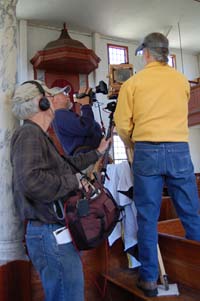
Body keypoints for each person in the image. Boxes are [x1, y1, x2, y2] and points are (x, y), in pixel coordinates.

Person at [114, 32, 200, 297]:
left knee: (147, 217)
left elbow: (122, 124)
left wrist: (133, 143)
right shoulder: (182, 82)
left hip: (146, 150)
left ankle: (149, 279)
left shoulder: (134, 83)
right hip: (178, 149)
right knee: (191, 212)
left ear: (147, 53)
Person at [10, 80, 110, 301]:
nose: (54, 99)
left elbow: (67, 165)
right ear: (41, 102)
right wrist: (74, 183)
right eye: (49, 95)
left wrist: (98, 152)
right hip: (48, 234)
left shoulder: (38, 135)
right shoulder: (29, 134)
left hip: (51, 233)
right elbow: (32, 181)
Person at [51, 86, 103, 155]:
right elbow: (86, 127)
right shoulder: (59, 114)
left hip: (90, 155)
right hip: (87, 157)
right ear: (54, 99)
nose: (68, 95)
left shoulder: (64, 114)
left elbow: (88, 126)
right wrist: (85, 105)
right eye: (64, 93)